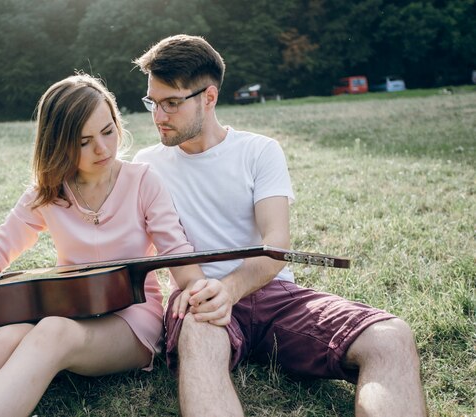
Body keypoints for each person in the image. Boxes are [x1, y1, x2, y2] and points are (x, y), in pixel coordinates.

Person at [133, 34, 427, 417]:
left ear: (209, 97)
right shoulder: (146, 164)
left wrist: (230, 289)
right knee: (199, 339)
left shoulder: (259, 151)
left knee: (390, 336)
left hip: (272, 296)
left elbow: (276, 246)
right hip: (199, 299)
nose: (158, 116)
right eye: (153, 103)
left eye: (171, 103)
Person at [0, 73, 205, 417]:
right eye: (83, 141)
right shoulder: (49, 191)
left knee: (52, 330)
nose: (102, 148)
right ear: (59, 145)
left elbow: (178, 255)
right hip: (73, 312)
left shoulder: (143, 181)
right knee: (11, 336)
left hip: (133, 323)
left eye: (108, 131)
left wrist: (198, 288)